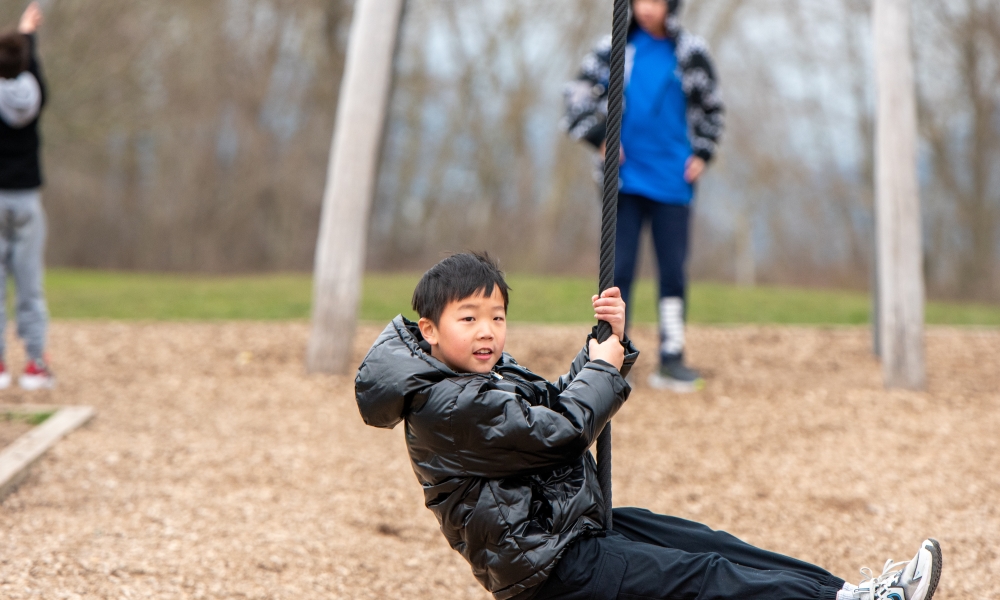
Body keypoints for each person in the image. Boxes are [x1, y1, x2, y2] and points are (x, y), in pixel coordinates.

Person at [355, 252, 942, 600]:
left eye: (498, 316)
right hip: (549, 569)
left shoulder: (473, 377)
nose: (488, 331)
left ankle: (848, 594)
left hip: (570, 532)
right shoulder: (443, 406)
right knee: (705, 578)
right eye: (469, 319)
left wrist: (603, 347)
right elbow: (558, 432)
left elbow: (553, 403)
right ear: (430, 331)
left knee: (712, 545)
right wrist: (603, 373)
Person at [562, 0, 724, 392]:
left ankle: (672, 359)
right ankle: (610, 358)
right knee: (619, 272)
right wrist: (598, 137)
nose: (645, 7)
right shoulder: (613, 47)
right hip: (624, 182)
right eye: (639, 0)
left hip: (673, 181)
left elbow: (712, 107)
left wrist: (703, 151)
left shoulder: (690, 52)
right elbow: (576, 96)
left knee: (672, 272)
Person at [0, 2, 54, 390]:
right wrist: (28, 34)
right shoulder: (35, 93)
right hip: (28, 201)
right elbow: (27, 66)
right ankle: (35, 363)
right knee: (30, 284)